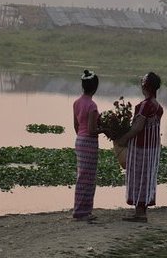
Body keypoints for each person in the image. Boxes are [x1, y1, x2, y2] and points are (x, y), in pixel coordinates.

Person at [116, 72, 163, 223]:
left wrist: (122, 138)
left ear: (145, 86)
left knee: (138, 177)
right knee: (146, 177)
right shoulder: (157, 106)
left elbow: (137, 128)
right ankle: (142, 211)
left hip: (141, 148)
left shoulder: (145, 105)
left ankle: (140, 213)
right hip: (153, 148)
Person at [72, 69, 100, 221]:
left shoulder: (76, 103)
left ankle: (79, 209)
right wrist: (105, 129)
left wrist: (81, 136)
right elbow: (92, 130)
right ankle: (84, 211)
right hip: (89, 142)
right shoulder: (92, 106)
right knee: (88, 179)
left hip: (80, 141)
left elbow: (76, 125)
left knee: (81, 176)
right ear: (95, 88)